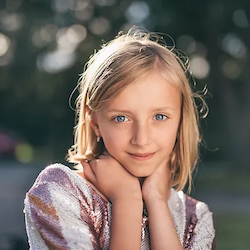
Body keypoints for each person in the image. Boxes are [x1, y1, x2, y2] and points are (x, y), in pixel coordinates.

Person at [24, 27, 216, 250]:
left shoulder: (196, 217)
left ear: (181, 121)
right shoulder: (60, 192)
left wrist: (156, 202)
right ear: (95, 122)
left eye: (160, 116)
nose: (141, 139)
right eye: (122, 118)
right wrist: (127, 200)